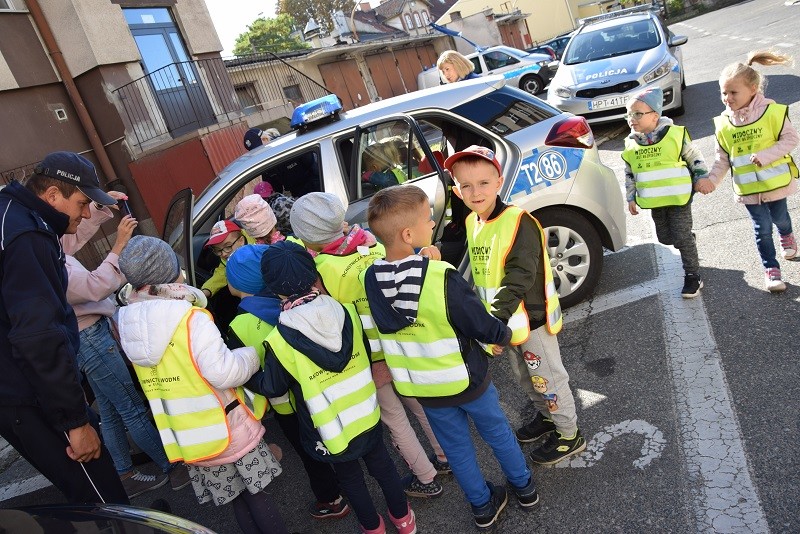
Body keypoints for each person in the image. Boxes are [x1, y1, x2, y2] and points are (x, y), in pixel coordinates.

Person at [362, 185, 537, 531]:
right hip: (468, 378)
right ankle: (524, 487)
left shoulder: (371, 278)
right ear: (409, 233)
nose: (433, 222)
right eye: (428, 218)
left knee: (456, 449)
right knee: (497, 432)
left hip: (423, 386)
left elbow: (376, 325)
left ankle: (483, 507)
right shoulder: (440, 276)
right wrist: (501, 335)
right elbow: (476, 320)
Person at [116, 235, 287, 534]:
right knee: (257, 495)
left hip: (188, 435)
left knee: (237, 499)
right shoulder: (190, 317)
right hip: (226, 424)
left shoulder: (128, 323)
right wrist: (249, 356)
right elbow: (222, 373)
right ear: (173, 272)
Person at [247, 241, 416, 534]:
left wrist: (246, 371)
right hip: (366, 410)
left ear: (274, 289)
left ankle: (373, 528)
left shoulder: (280, 338)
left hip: (329, 428)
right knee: (384, 467)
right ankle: (404, 520)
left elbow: (272, 386)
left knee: (351, 479)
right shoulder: (348, 312)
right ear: (314, 275)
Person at [290, 192, 450, 499]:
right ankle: (445, 456)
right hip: (402, 343)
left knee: (394, 417)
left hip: (369, 356)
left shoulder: (321, 269)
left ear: (307, 237)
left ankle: (426, 478)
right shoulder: (371, 243)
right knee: (419, 406)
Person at [444, 146, 586, 467]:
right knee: (526, 377)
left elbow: (519, 277)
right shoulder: (473, 222)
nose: (475, 192)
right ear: (456, 190)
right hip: (505, 325)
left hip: (528, 321)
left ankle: (568, 433)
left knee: (547, 378)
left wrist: (492, 325)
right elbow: (484, 277)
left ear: (499, 182)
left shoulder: (519, 222)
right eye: (466, 185)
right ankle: (546, 416)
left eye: (483, 183)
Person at [0, 151, 128, 504]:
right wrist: (74, 422)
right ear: (53, 195)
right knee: (98, 490)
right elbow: (38, 337)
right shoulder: (27, 236)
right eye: (82, 203)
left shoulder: (13, 215)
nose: (86, 212)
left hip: (19, 386)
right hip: (28, 390)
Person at [62, 198, 192, 498]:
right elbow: (94, 286)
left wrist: (95, 207)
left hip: (87, 337)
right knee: (131, 407)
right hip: (91, 339)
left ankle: (123, 472)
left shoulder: (37, 248)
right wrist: (119, 245)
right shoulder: (34, 261)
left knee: (109, 410)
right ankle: (174, 468)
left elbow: (70, 238)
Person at [225, 244, 351, 521]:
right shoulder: (293, 306)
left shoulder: (239, 325)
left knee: (310, 453)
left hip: (286, 406)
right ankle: (350, 483)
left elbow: (250, 374)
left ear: (238, 282)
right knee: (333, 437)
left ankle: (331, 499)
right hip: (320, 390)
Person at [700, 51, 799, 292]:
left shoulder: (772, 112)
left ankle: (787, 235)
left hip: (775, 184)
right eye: (724, 92)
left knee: (780, 219)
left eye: (733, 92)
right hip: (748, 188)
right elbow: (722, 158)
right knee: (761, 228)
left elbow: (791, 139)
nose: (727, 98)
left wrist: (765, 157)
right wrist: (712, 180)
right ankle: (771, 270)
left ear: (753, 89)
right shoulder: (723, 123)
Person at [621, 86, 709, 298]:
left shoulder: (675, 135)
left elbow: (693, 156)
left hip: (679, 198)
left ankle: (692, 276)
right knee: (666, 238)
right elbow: (630, 173)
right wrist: (631, 197)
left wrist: (701, 177)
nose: (632, 118)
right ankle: (687, 241)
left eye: (638, 114)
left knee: (681, 236)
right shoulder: (631, 144)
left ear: (655, 115)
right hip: (656, 201)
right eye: (629, 114)